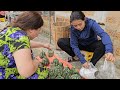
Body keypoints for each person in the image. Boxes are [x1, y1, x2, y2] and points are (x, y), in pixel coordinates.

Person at [0, 11, 51, 79]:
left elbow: (23, 45)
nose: (38, 34)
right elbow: (26, 72)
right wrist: (36, 61)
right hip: (5, 74)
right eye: (39, 30)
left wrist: (43, 45)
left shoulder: (12, 30)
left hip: (4, 68)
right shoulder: (21, 39)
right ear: (31, 29)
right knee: (43, 72)